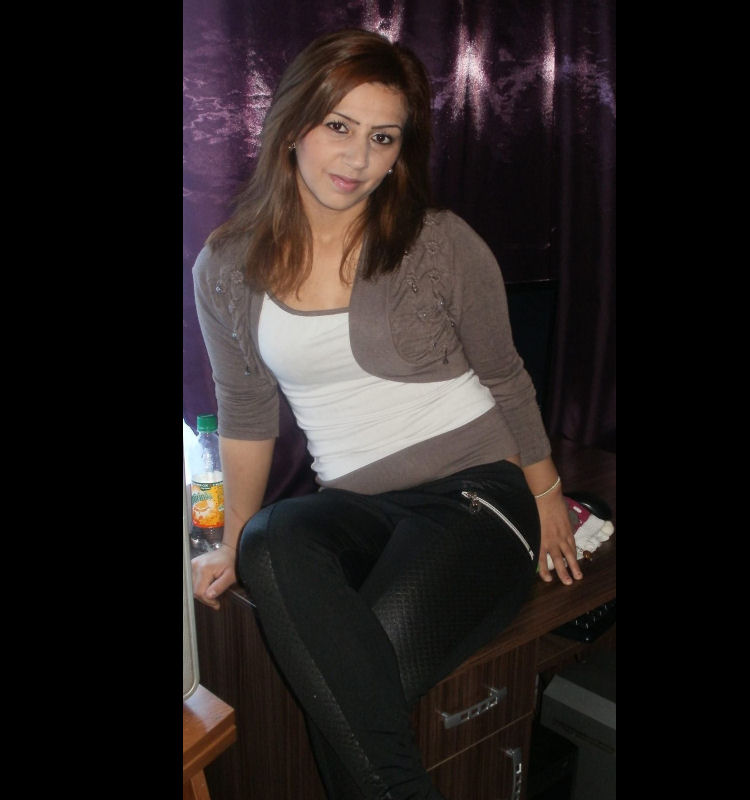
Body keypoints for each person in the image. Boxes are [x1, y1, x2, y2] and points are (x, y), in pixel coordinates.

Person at [191, 27, 579, 800]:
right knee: (272, 538)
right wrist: (233, 540)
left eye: (382, 137)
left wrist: (546, 495)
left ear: (401, 153)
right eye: (339, 126)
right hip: (358, 508)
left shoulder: (439, 242)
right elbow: (246, 411)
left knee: (355, 694)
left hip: (476, 493)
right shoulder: (227, 266)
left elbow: (506, 375)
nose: (357, 158)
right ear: (293, 125)